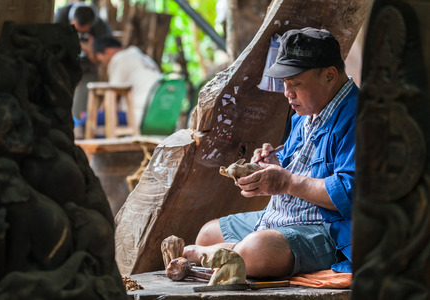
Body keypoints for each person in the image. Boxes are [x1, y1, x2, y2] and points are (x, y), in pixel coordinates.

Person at [183, 27, 357, 278]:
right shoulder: (305, 114)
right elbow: (298, 170)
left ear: (329, 75)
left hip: (329, 228)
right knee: (207, 233)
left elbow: (352, 195)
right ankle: (228, 253)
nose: (287, 94)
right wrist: (274, 165)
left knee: (256, 251)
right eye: (285, 84)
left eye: (295, 84)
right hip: (283, 217)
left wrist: (286, 182)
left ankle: (229, 254)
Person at [54, 2, 112, 120]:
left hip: (86, 68)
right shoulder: (60, 17)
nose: (78, 34)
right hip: (61, 64)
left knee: (85, 93)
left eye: (82, 32)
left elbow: (102, 59)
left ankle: (79, 123)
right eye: (75, 30)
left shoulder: (100, 28)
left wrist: (90, 49)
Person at [93, 36, 162, 127]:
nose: (105, 65)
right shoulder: (144, 58)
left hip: (141, 115)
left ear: (109, 52)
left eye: (102, 61)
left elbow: (112, 97)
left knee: (90, 120)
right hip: (162, 114)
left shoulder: (120, 58)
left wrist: (97, 114)